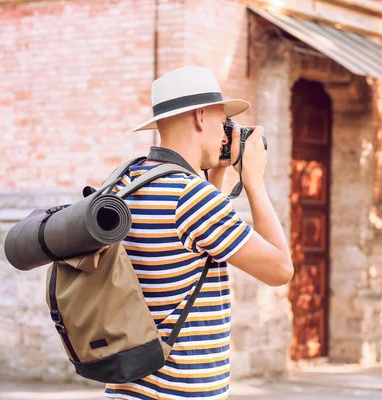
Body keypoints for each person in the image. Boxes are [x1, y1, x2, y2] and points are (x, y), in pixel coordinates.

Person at [104, 66, 293, 399]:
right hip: (178, 391)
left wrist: (216, 176)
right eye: (223, 123)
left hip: (128, 388)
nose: (226, 136)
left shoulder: (126, 181)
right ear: (199, 116)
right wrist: (254, 180)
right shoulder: (191, 198)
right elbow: (280, 270)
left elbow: (191, 248)